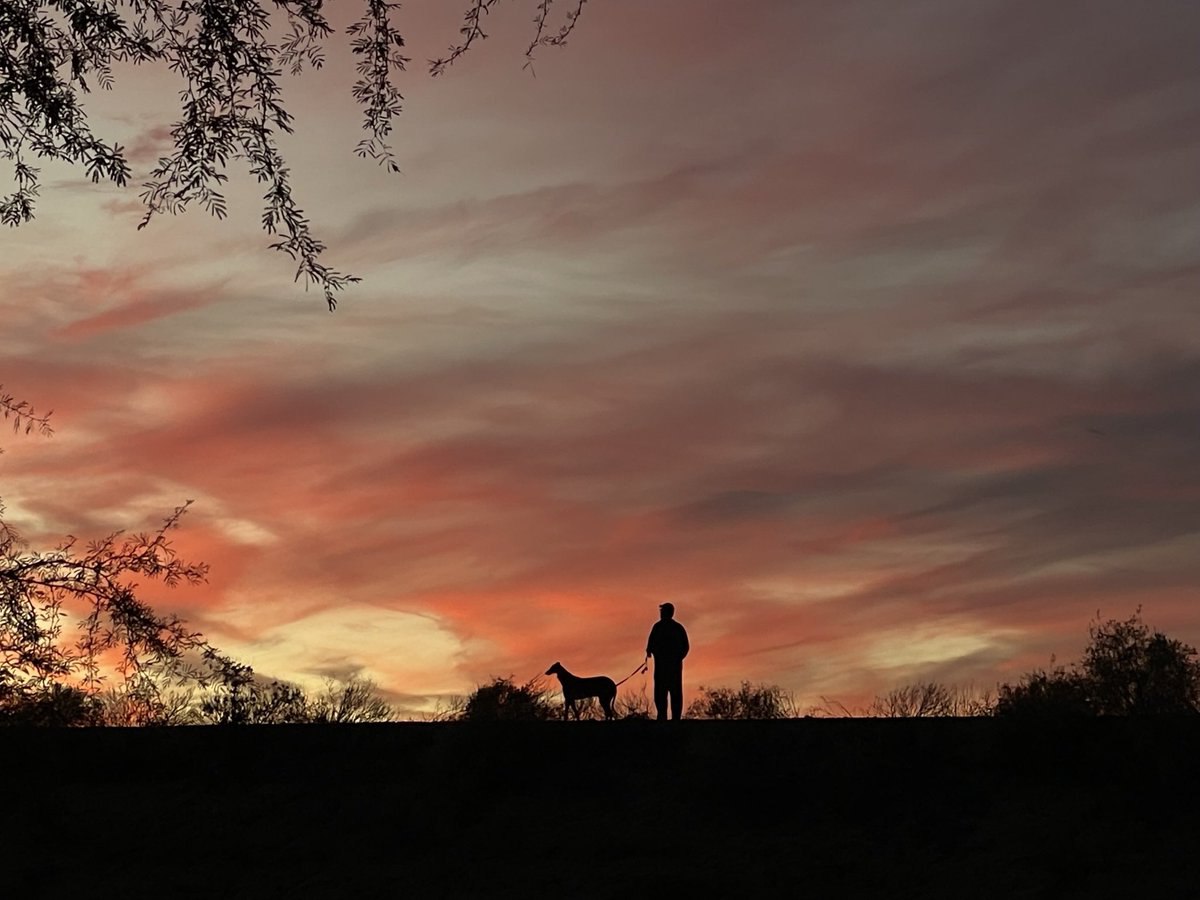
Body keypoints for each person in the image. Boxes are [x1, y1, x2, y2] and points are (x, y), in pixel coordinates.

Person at [645, 602, 689, 721]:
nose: (661, 613)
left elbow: (685, 647)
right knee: (664, 693)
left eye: (662, 611)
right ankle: (665, 717)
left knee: (670, 693)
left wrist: (677, 657)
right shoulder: (665, 627)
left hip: (669, 667)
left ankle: (672, 718)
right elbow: (650, 645)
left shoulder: (666, 627)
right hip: (666, 667)